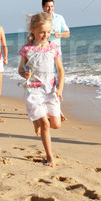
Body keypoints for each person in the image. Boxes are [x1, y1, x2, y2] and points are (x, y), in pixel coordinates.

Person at [18, 12, 65, 168]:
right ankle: (50, 156)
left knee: (56, 125)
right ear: (33, 30)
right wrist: (24, 73)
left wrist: (60, 89)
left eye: (48, 32)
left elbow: (60, 70)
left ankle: (38, 121)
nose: (45, 35)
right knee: (45, 124)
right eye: (41, 32)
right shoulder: (27, 49)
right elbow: (20, 69)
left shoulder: (53, 47)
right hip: (34, 90)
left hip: (50, 90)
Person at [42, 0, 70, 121]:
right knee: (48, 81)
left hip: (57, 53)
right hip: (43, 53)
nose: (50, 9)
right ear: (43, 7)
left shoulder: (59, 18)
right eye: (48, 6)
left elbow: (68, 33)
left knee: (58, 81)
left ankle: (55, 109)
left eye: (52, 6)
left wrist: (60, 34)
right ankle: (55, 110)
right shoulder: (40, 20)